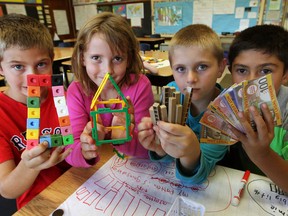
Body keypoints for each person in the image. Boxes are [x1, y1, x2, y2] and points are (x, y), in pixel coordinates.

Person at [138, 24, 228, 184]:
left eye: (202, 67)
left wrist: (190, 154)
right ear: (172, 69)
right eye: (180, 68)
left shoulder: (226, 110)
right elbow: (167, 158)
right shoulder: (172, 92)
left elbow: (201, 174)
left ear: (221, 67)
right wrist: (160, 148)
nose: (190, 78)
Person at [0, 14, 72, 209]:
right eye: (17, 66)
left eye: (41, 64)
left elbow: (76, 147)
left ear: (51, 61)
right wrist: (29, 165)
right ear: (0, 68)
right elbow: (6, 189)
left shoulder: (62, 97)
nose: (32, 77)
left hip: (75, 184)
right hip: (37, 201)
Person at [65, 12, 154, 167]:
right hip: (97, 171)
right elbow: (70, 149)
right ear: (82, 58)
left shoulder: (140, 86)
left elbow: (149, 148)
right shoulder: (76, 91)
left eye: (117, 59)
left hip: (131, 167)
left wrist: (123, 137)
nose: (108, 71)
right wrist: (85, 151)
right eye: (96, 58)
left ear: (129, 59)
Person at [226, 24, 288, 192]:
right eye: (241, 70)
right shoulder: (227, 103)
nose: (251, 82)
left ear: (285, 75)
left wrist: (262, 154)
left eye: (265, 71)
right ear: (230, 71)